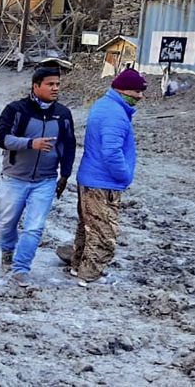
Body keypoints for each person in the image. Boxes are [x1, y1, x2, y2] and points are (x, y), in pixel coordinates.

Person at [0, 67, 76, 287]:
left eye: (58, 84)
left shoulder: (63, 114)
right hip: (15, 177)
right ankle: (7, 251)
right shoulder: (16, 110)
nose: (55, 88)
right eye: (50, 84)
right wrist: (31, 144)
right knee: (7, 222)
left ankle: (21, 269)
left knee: (34, 227)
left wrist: (65, 174)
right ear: (36, 85)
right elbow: (1, 139)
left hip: (45, 180)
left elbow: (69, 145)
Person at [67, 68, 146, 286]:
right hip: (104, 183)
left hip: (90, 178)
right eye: (138, 92)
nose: (141, 97)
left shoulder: (103, 105)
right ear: (124, 90)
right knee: (104, 233)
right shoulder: (115, 115)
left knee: (87, 227)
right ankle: (89, 276)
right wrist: (124, 176)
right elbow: (111, 152)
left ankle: (77, 266)